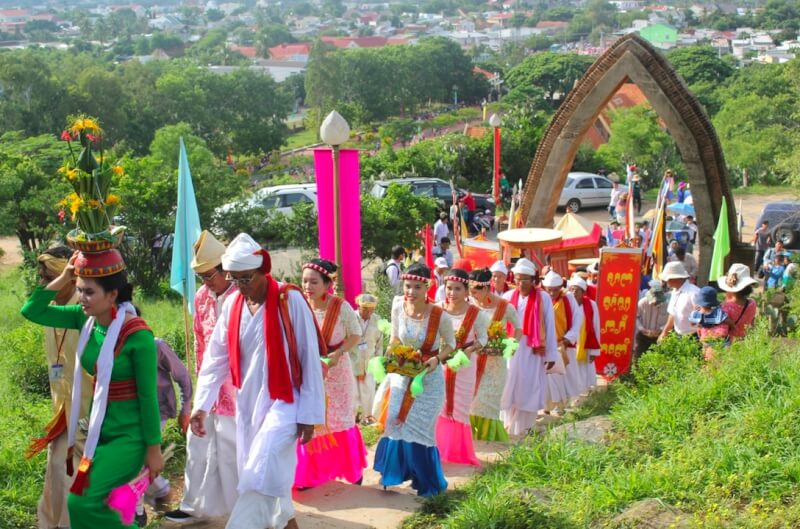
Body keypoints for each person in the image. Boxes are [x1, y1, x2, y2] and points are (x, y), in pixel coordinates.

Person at [190, 233, 325, 529]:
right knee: (268, 476)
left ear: (264, 271)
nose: (239, 286)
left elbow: (309, 359)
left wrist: (309, 416)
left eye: (245, 278)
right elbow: (216, 358)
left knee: (260, 471)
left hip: (287, 402)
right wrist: (201, 405)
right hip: (248, 404)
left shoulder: (289, 300)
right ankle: (287, 524)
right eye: (234, 279)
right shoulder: (233, 304)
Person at [21, 249, 163, 529]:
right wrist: (64, 276)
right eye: (79, 290)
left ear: (112, 295)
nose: (81, 298)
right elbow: (31, 311)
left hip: (130, 436)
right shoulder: (82, 319)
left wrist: (153, 449)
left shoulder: (138, 335)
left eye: (89, 292)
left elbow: (148, 398)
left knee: (83, 502)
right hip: (100, 432)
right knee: (86, 506)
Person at [167, 231, 239, 524]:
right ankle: (193, 506)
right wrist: (201, 378)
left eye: (210, 276)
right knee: (198, 442)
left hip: (237, 387)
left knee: (232, 447)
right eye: (202, 277)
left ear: (227, 270)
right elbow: (199, 338)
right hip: (209, 385)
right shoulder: (201, 297)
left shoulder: (242, 297)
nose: (207, 282)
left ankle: (240, 512)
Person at [373, 263, 456, 496]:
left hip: (428, 381)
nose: (411, 292)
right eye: (408, 286)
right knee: (395, 422)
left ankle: (426, 482)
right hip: (403, 374)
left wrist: (437, 359)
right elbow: (396, 337)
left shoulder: (439, 315)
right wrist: (390, 352)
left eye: (417, 287)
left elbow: (451, 344)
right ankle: (393, 474)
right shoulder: (398, 305)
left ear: (427, 287)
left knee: (419, 429)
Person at [26, 247, 92, 529]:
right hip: (63, 410)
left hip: (91, 412)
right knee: (57, 470)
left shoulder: (87, 309)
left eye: (49, 276)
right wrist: (57, 280)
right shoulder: (50, 313)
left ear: (70, 276)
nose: (43, 283)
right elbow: (31, 308)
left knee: (83, 476)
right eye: (41, 278)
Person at [295, 258, 366, 488]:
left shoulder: (340, 306)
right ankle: (310, 475)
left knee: (339, 419)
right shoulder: (298, 304)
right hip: (307, 371)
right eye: (304, 281)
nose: (307, 287)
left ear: (328, 284)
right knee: (311, 420)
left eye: (314, 282)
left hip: (336, 371)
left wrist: (339, 353)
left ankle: (350, 469)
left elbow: (355, 334)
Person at [435, 269, 488, 467]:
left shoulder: (475, 313)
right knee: (440, 404)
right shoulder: (438, 309)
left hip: (465, 366)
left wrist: (471, 349)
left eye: (457, 289)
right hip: (440, 364)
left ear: (466, 290)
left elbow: (483, 338)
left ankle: (458, 452)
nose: (452, 293)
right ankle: (438, 450)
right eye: (449, 288)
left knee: (460, 406)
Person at [137, 337, 193, 526]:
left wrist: (186, 408)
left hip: (158, 409)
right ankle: (160, 491)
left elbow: (183, 376)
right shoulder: (111, 345)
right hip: (130, 410)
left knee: (139, 459)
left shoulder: (156, 346)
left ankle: (137, 511)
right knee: (138, 458)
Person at [501, 258, 558, 435]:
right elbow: (500, 324)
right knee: (508, 384)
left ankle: (525, 428)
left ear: (533, 280)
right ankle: (506, 426)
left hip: (533, 350)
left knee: (528, 386)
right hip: (511, 348)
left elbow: (549, 326)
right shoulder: (508, 297)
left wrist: (551, 355)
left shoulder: (543, 298)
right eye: (518, 279)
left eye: (525, 279)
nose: (521, 283)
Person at [468, 268, 521, 441]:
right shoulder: (470, 304)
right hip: (473, 360)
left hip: (495, 364)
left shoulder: (504, 306)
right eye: (471, 291)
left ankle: (490, 441)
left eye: (476, 291)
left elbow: (519, 328)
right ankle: (472, 439)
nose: (472, 295)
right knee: (472, 401)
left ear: (485, 289)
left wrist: (511, 344)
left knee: (488, 401)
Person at [541, 271, 582, 411]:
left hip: (562, 344)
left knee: (562, 376)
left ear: (560, 287)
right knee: (547, 378)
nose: (552, 293)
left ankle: (561, 406)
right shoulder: (541, 299)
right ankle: (547, 406)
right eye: (549, 290)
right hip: (545, 345)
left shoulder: (568, 299)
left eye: (555, 290)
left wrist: (567, 339)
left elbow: (577, 320)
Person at [567, 276, 601, 392]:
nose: (574, 292)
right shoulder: (567, 305)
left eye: (577, 290)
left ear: (583, 292)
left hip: (586, 344)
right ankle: (573, 393)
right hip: (571, 344)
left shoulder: (591, 305)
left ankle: (584, 393)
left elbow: (596, 326)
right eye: (571, 289)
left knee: (585, 369)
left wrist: (595, 350)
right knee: (572, 370)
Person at [352, 294, 383, 424]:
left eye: (371, 309)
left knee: (369, 390)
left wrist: (378, 360)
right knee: (352, 391)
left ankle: (367, 417)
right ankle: (351, 417)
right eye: (365, 308)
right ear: (359, 306)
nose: (368, 312)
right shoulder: (351, 318)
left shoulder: (377, 320)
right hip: (352, 361)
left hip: (370, 361)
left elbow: (380, 343)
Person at [658, 261, 701, 342]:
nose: (666, 282)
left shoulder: (694, 293)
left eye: (668, 279)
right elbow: (672, 315)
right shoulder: (675, 291)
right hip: (679, 335)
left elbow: (702, 314)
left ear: (676, 278)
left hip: (694, 336)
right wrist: (664, 333)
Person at [689, 286, 730, 361]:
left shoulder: (697, 314)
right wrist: (733, 327)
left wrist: (696, 311)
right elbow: (728, 320)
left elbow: (692, 323)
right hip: (720, 339)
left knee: (707, 358)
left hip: (706, 339)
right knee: (720, 359)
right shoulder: (718, 312)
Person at [635, 280, 670, 360]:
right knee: (638, 360)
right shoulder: (642, 303)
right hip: (643, 337)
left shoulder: (667, 305)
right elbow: (635, 318)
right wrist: (642, 329)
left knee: (656, 362)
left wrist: (661, 330)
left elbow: (670, 320)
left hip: (659, 337)